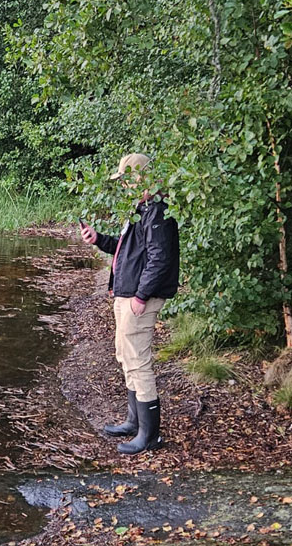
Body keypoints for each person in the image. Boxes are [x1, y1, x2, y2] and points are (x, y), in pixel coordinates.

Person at [79, 153, 179, 455]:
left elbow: (159, 259)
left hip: (138, 298)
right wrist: (98, 239)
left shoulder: (158, 212)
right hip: (126, 294)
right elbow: (127, 252)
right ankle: (134, 422)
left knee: (137, 359)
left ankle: (149, 436)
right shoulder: (140, 211)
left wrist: (140, 296)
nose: (124, 185)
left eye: (127, 179)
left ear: (142, 178)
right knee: (125, 355)